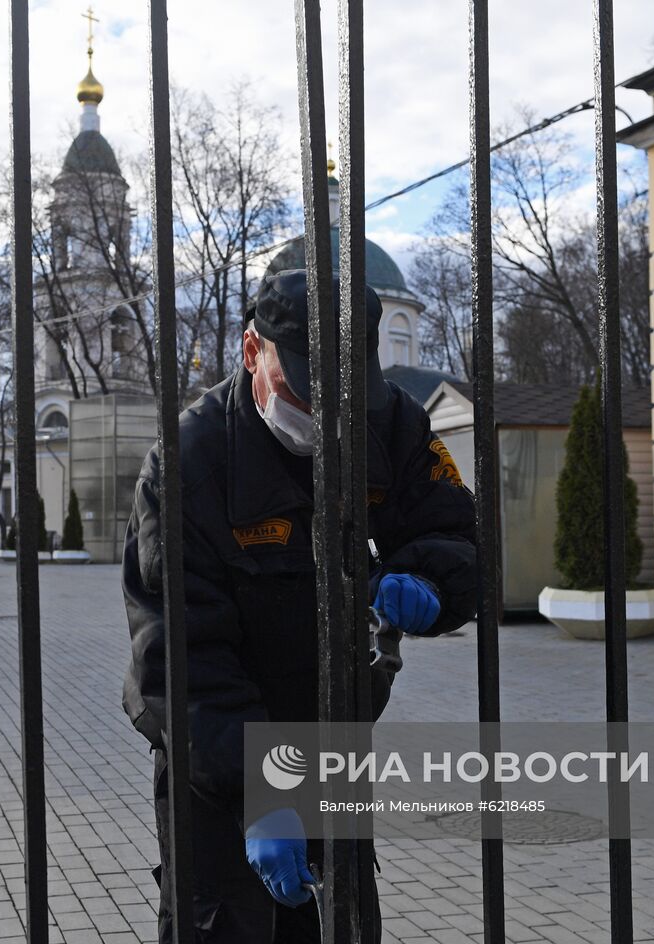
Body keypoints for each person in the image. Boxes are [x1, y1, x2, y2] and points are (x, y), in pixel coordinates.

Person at [122, 269, 480, 943]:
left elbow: (452, 530)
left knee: (339, 925)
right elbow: (179, 654)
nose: (325, 415)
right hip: (218, 770)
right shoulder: (189, 463)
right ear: (253, 351)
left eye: (343, 396)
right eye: (305, 390)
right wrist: (258, 791)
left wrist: (430, 578)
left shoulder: (391, 424)